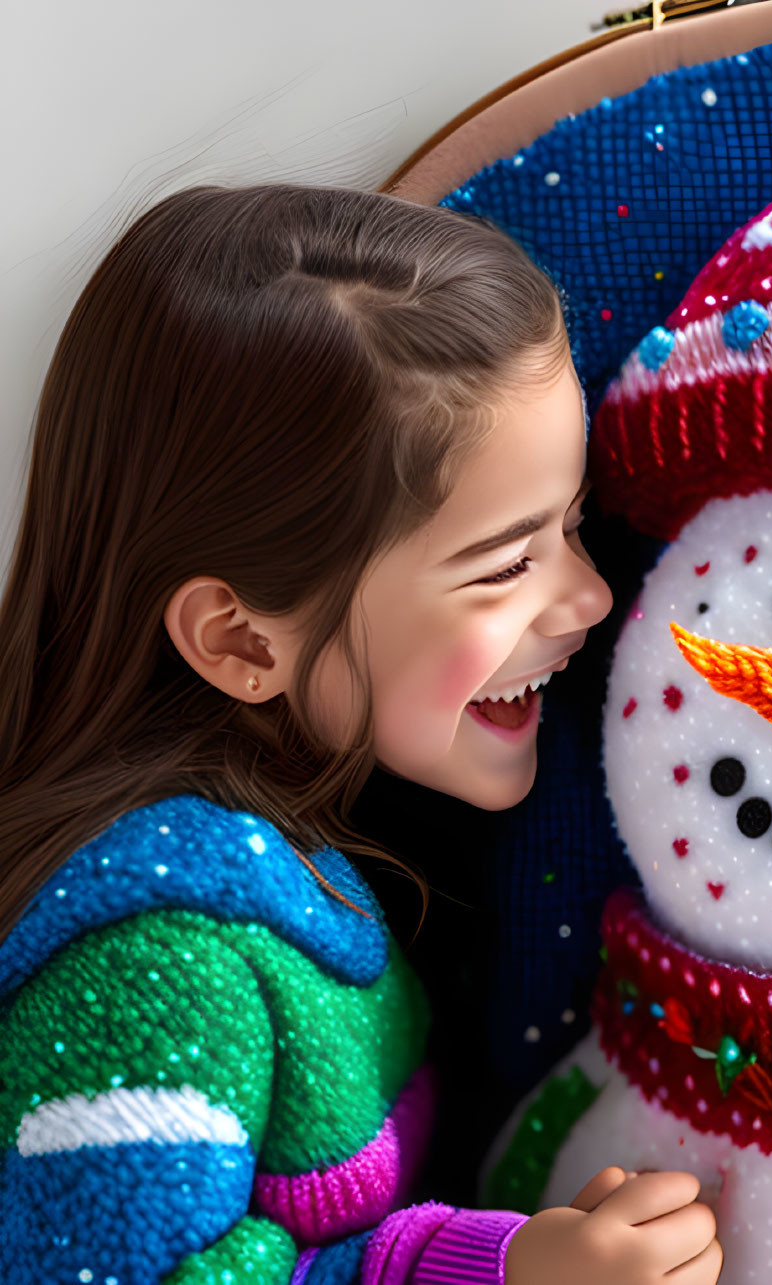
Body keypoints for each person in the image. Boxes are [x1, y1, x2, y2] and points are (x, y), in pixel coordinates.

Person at [0, 184, 723, 1285]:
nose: (588, 597)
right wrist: (507, 1274)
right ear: (242, 640)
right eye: (507, 562)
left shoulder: (286, 853)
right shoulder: (159, 965)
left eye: (570, 526)